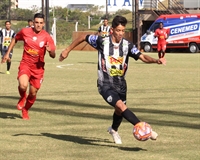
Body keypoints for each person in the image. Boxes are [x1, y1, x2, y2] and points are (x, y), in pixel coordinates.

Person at [59, 15, 166, 144]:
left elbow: (142, 56)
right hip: (104, 84)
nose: (120, 33)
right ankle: (144, 128)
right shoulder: (102, 41)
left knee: (119, 110)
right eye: (118, 30)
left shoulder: (127, 45)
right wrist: (67, 50)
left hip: (121, 84)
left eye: (122, 31)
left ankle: (114, 130)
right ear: (112, 30)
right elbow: (83, 37)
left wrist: (156, 60)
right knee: (121, 106)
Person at [1, 13, 56, 120]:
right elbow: (15, 39)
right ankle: (22, 97)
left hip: (38, 69)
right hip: (25, 64)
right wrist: (7, 53)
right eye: (36, 22)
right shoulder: (25, 32)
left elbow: (53, 55)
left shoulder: (46, 37)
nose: (38, 25)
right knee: (23, 85)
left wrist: (50, 52)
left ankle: (25, 109)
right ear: (33, 23)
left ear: (43, 24)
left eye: (40, 23)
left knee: (33, 92)